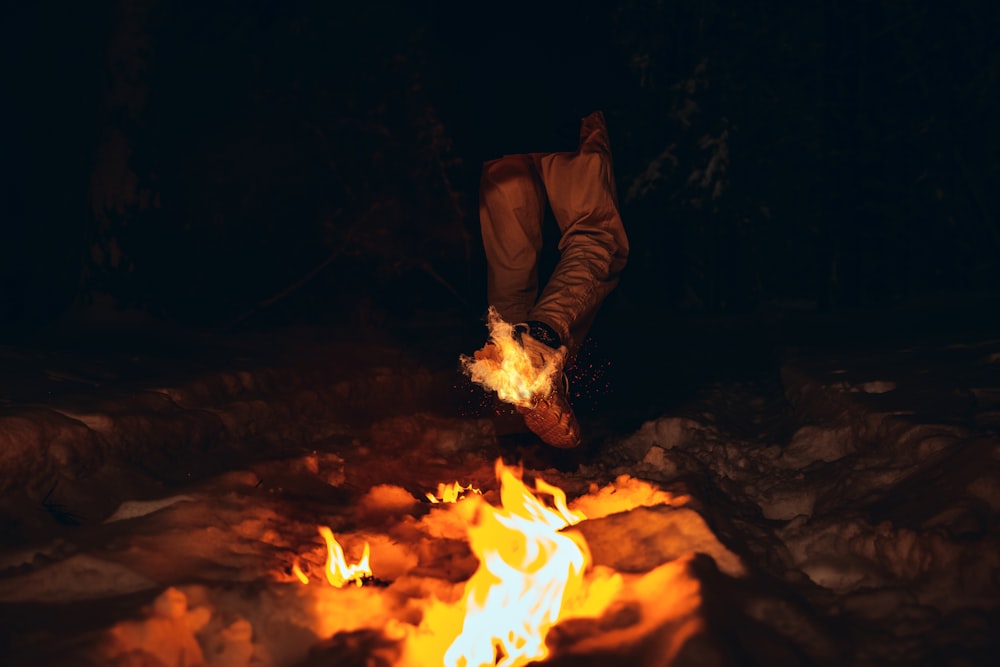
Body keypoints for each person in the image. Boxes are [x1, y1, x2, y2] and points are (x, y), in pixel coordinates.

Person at [469, 110, 629, 448]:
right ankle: (540, 345)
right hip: (563, 94)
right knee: (596, 236)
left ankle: (516, 426)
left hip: (491, 109)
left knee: (510, 262)